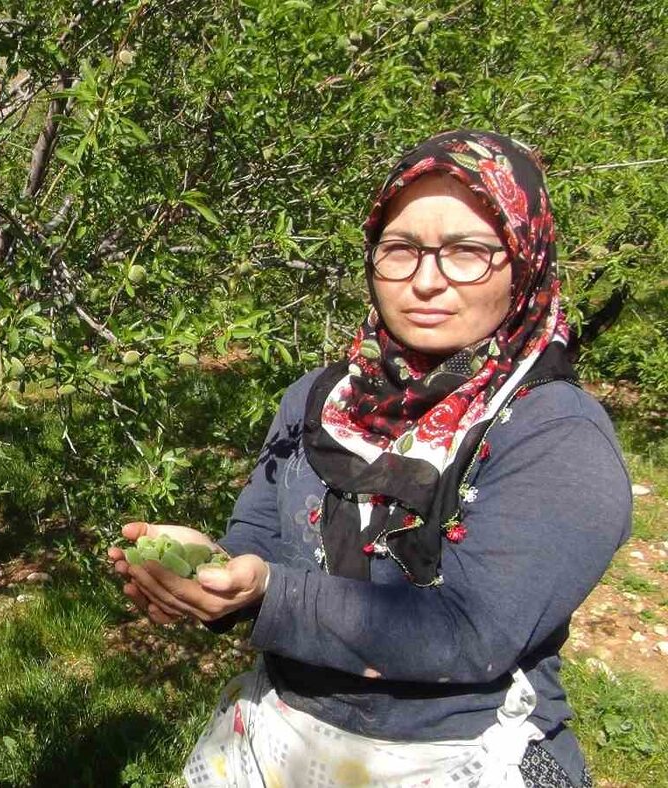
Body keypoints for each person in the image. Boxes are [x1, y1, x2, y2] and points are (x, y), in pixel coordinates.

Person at [110, 130, 630, 787]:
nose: (426, 280)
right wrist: (216, 572)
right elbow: (260, 533)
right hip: (285, 737)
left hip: (454, 754)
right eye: (401, 249)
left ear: (524, 259)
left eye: (467, 252)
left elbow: (471, 634)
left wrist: (269, 595)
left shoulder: (556, 435)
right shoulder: (318, 398)